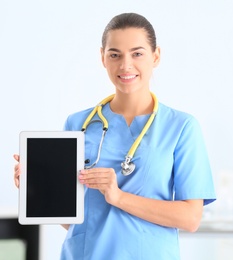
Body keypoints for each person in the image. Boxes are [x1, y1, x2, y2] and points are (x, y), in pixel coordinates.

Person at [14, 12, 216, 260]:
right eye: (115, 55)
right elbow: (75, 222)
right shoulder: (78, 124)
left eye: (137, 53)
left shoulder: (182, 127)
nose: (125, 65)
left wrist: (118, 196)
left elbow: (190, 218)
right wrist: (38, 189)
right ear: (103, 58)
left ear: (156, 56)